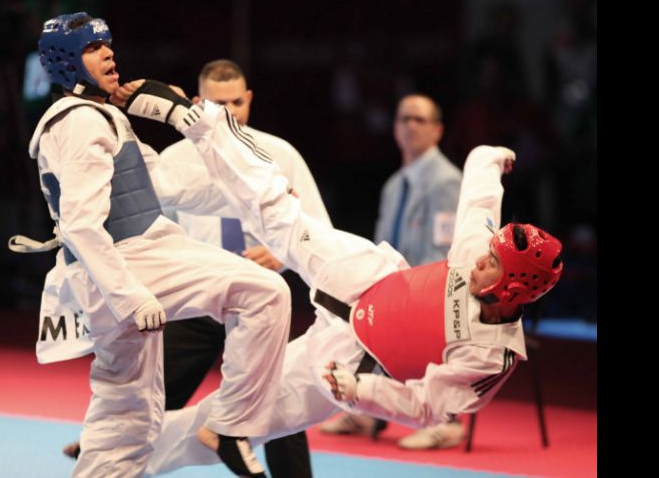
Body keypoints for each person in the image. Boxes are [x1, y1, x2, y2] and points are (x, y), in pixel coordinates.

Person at [111, 89, 563, 475]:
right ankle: (202, 121)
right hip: (367, 277)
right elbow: (480, 200)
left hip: (348, 364)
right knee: (277, 213)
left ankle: (122, 456)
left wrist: (362, 392)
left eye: (493, 263)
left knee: (231, 422)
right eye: (490, 249)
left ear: (511, 289)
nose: (482, 256)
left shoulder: (490, 356)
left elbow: (429, 406)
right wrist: (488, 158)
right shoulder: (478, 254)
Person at [21, 13, 292, 478]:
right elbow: (82, 224)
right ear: (66, 63)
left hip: (126, 263)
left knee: (129, 420)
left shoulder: (101, 117)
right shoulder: (80, 122)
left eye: (107, 43)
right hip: (128, 262)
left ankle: (220, 426)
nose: (108, 53)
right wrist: (130, 295)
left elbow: (165, 184)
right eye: (92, 47)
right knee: (265, 292)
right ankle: (230, 426)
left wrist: (183, 116)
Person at [61, 59, 329, 477]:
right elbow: (151, 230)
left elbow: (316, 227)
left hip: (256, 298)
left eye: (237, 102)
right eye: (218, 104)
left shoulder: (277, 154)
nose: (229, 112)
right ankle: (108, 443)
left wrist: (281, 256)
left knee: (273, 404)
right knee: (156, 390)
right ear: (199, 101)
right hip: (196, 298)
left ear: (249, 99)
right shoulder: (172, 157)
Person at [320, 94, 466, 450]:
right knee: (345, 311)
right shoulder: (393, 185)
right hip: (397, 285)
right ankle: (367, 407)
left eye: (419, 120)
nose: (410, 126)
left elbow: (445, 250)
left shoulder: (446, 181)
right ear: (395, 128)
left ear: (437, 130)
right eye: (404, 119)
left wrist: (411, 295)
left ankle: (447, 421)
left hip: (435, 290)